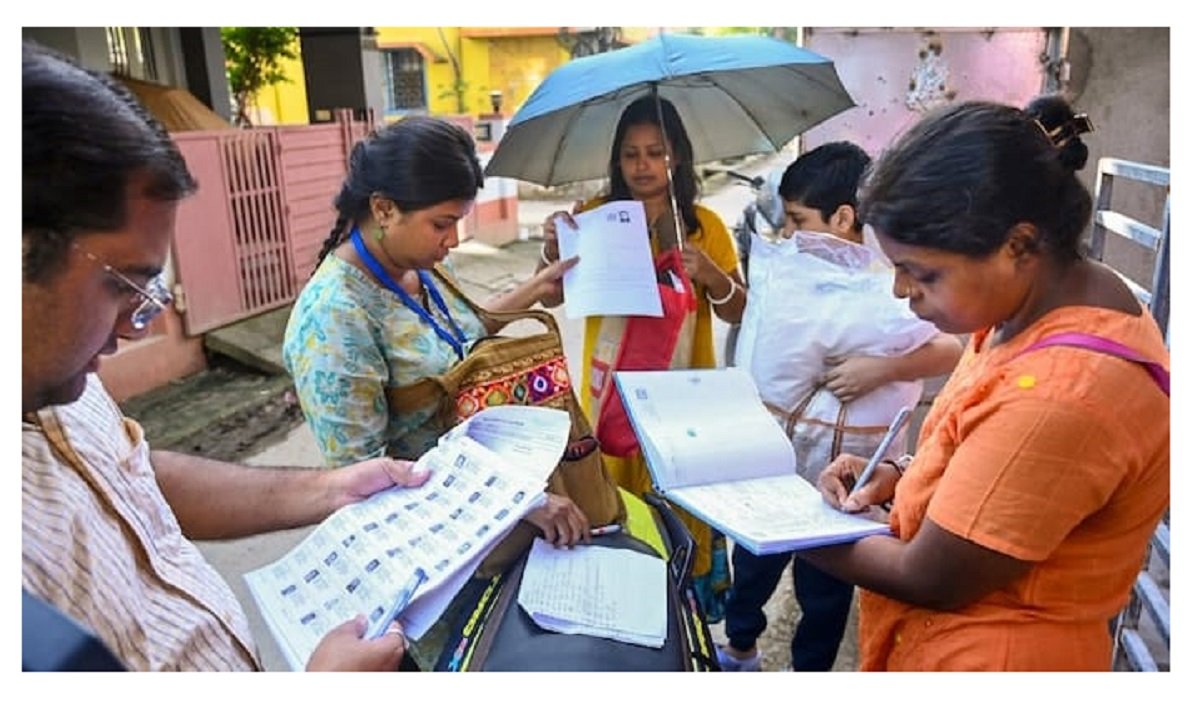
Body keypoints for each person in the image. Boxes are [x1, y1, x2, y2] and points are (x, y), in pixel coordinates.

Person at [21, 41, 422, 671]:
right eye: (122, 285)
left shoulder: (61, 382)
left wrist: (332, 488)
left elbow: (132, 474)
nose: (136, 327)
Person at [798, 97, 1169, 670]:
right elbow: (996, 455)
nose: (901, 291)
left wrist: (789, 530)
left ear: (1017, 245)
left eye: (922, 273)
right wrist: (901, 476)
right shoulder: (1029, 306)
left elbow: (933, 576)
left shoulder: (1062, 393)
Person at [281, 116, 588, 548]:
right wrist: (515, 501)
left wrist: (536, 288)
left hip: (491, 502)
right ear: (384, 209)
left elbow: (459, 333)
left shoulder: (419, 266)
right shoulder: (334, 320)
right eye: (442, 224)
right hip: (431, 541)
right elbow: (364, 482)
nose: (453, 241)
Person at [717, 142, 963, 671]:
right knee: (754, 565)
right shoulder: (787, 274)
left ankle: (810, 673)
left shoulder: (888, 284)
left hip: (846, 478)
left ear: (843, 218)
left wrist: (882, 369)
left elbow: (951, 349)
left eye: (799, 220)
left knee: (826, 591)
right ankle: (740, 647)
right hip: (776, 463)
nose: (789, 235)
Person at [536, 95, 745, 619]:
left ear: (679, 156)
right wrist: (552, 249)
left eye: (656, 152)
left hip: (683, 402)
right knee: (612, 509)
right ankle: (621, 622)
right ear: (617, 160)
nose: (643, 165)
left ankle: (681, 625)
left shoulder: (704, 226)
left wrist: (709, 274)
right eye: (631, 154)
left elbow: (739, 309)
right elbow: (552, 297)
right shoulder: (593, 218)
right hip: (608, 401)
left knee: (676, 507)